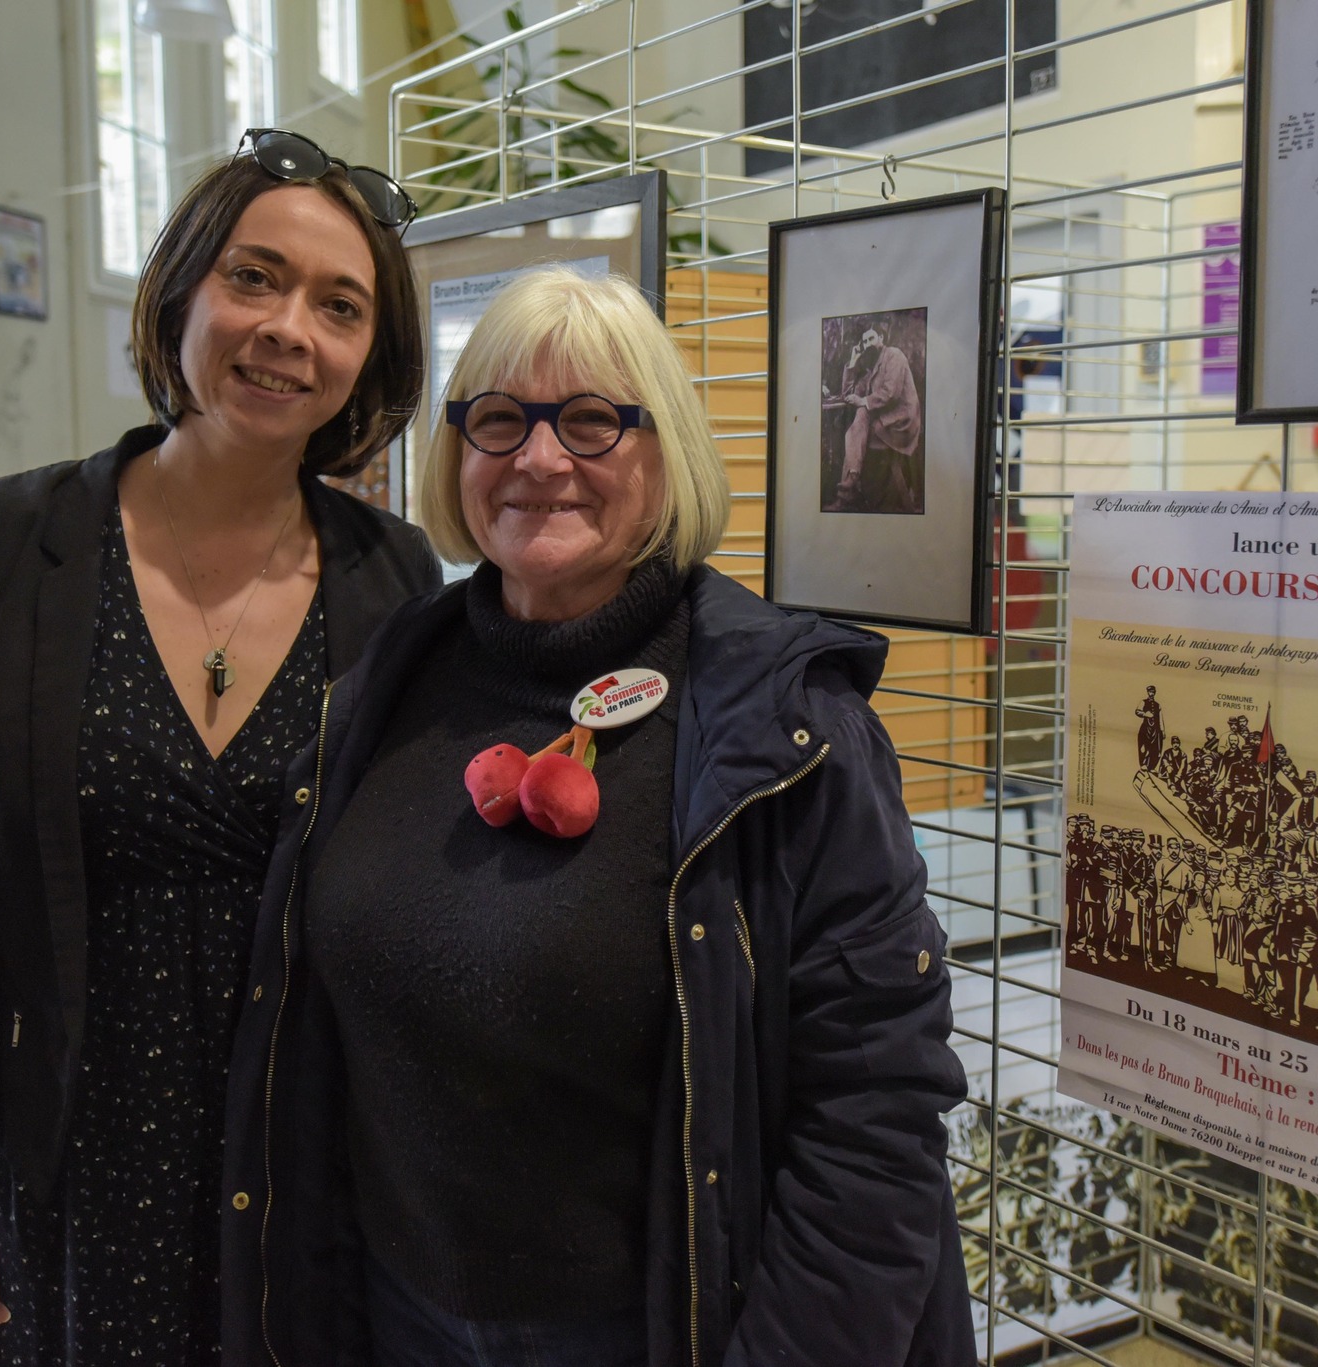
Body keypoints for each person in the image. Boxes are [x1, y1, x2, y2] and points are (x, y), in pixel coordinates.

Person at [218, 267, 974, 1367]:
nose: (537, 458)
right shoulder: (387, 681)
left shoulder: (787, 724)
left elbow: (876, 1115)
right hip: (391, 1313)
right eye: (497, 421)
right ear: (455, 453)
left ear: (663, 450)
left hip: (656, 1328)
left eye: (588, 421)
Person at [0, 129, 441, 1367]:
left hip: (302, 1179)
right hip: (63, 1168)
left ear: (368, 360)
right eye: (253, 278)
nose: (290, 328)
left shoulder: (393, 579)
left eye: (339, 306)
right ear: (181, 292)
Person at [834, 325, 922, 511]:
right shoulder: (872, 368)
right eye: (864, 342)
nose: (867, 344)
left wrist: (863, 400)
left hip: (901, 423)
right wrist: (853, 360)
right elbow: (848, 395)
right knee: (858, 421)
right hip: (885, 422)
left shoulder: (893, 356)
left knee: (859, 422)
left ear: (881, 338)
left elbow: (891, 393)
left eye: (871, 339)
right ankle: (851, 482)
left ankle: (848, 490)